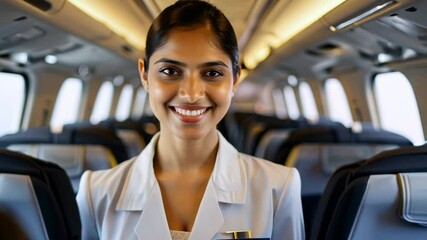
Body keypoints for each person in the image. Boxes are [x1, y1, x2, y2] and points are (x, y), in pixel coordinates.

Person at [76, 1, 305, 239]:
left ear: (235, 80)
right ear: (144, 75)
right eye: (171, 71)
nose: (192, 94)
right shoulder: (97, 192)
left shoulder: (279, 188)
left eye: (212, 73)